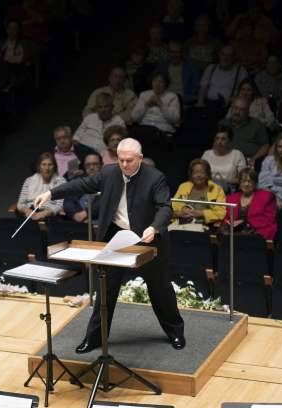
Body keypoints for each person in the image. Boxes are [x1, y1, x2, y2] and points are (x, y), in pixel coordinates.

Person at [35, 138, 186, 351]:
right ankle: (95, 337)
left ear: (140, 159)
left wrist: (154, 227)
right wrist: (51, 193)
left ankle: (175, 332)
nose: (124, 165)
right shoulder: (109, 173)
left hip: (148, 238)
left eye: (129, 160)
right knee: (105, 289)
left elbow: (165, 207)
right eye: (121, 160)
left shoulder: (155, 178)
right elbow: (81, 184)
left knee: (160, 289)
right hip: (116, 237)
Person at [224, 169, 277, 240]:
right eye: (243, 181)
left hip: (257, 234)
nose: (246, 184)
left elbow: (269, 219)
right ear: (239, 183)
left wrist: (245, 222)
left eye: (249, 181)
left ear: (255, 183)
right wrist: (229, 222)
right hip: (234, 233)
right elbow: (226, 216)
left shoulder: (266, 196)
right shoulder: (231, 198)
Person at [172, 159, 227, 226]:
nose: (198, 175)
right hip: (181, 225)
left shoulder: (217, 189)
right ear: (191, 175)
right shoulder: (183, 186)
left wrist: (202, 213)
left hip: (206, 227)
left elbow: (221, 213)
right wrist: (181, 212)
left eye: (202, 172)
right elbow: (173, 209)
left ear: (207, 174)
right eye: (195, 173)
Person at [219, 97, 270, 163]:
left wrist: (254, 159)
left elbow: (265, 146)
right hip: (224, 158)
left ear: (248, 111)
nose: (237, 112)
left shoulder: (257, 125)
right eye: (235, 108)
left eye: (242, 110)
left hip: (247, 160)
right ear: (231, 109)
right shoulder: (223, 123)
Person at [130, 72, 181, 136]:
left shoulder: (172, 96)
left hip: (163, 130)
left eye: (160, 81)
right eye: (155, 81)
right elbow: (134, 117)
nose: (157, 84)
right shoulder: (144, 95)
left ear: (166, 84)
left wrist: (161, 105)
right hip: (144, 129)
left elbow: (175, 119)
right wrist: (146, 105)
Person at [17, 153, 66, 220]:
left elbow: (60, 205)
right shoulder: (29, 180)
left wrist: (45, 213)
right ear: (39, 167)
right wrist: (27, 211)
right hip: (30, 212)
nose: (47, 168)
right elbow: (20, 204)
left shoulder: (61, 181)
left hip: (50, 214)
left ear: (54, 166)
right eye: (44, 164)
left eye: (50, 165)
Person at [197, 46, 248, 110]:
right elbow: (203, 87)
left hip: (230, 106)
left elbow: (245, 92)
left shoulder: (240, 71)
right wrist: (200, 103)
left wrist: (232, 99)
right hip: (209, 103)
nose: (225, 58)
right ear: (219, 55)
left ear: (233, 57)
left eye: (229, 55)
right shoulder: (211, 68)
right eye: (223, 54)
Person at [201, 126, 246, 193]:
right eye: (217, 138)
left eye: (223, 139)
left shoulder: (237, 154)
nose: (219, 141)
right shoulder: (207, 154)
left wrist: (224, 181)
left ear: (229, 141)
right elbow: (200, 174)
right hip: (207, 188)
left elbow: (244, 178)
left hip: (229, 190)